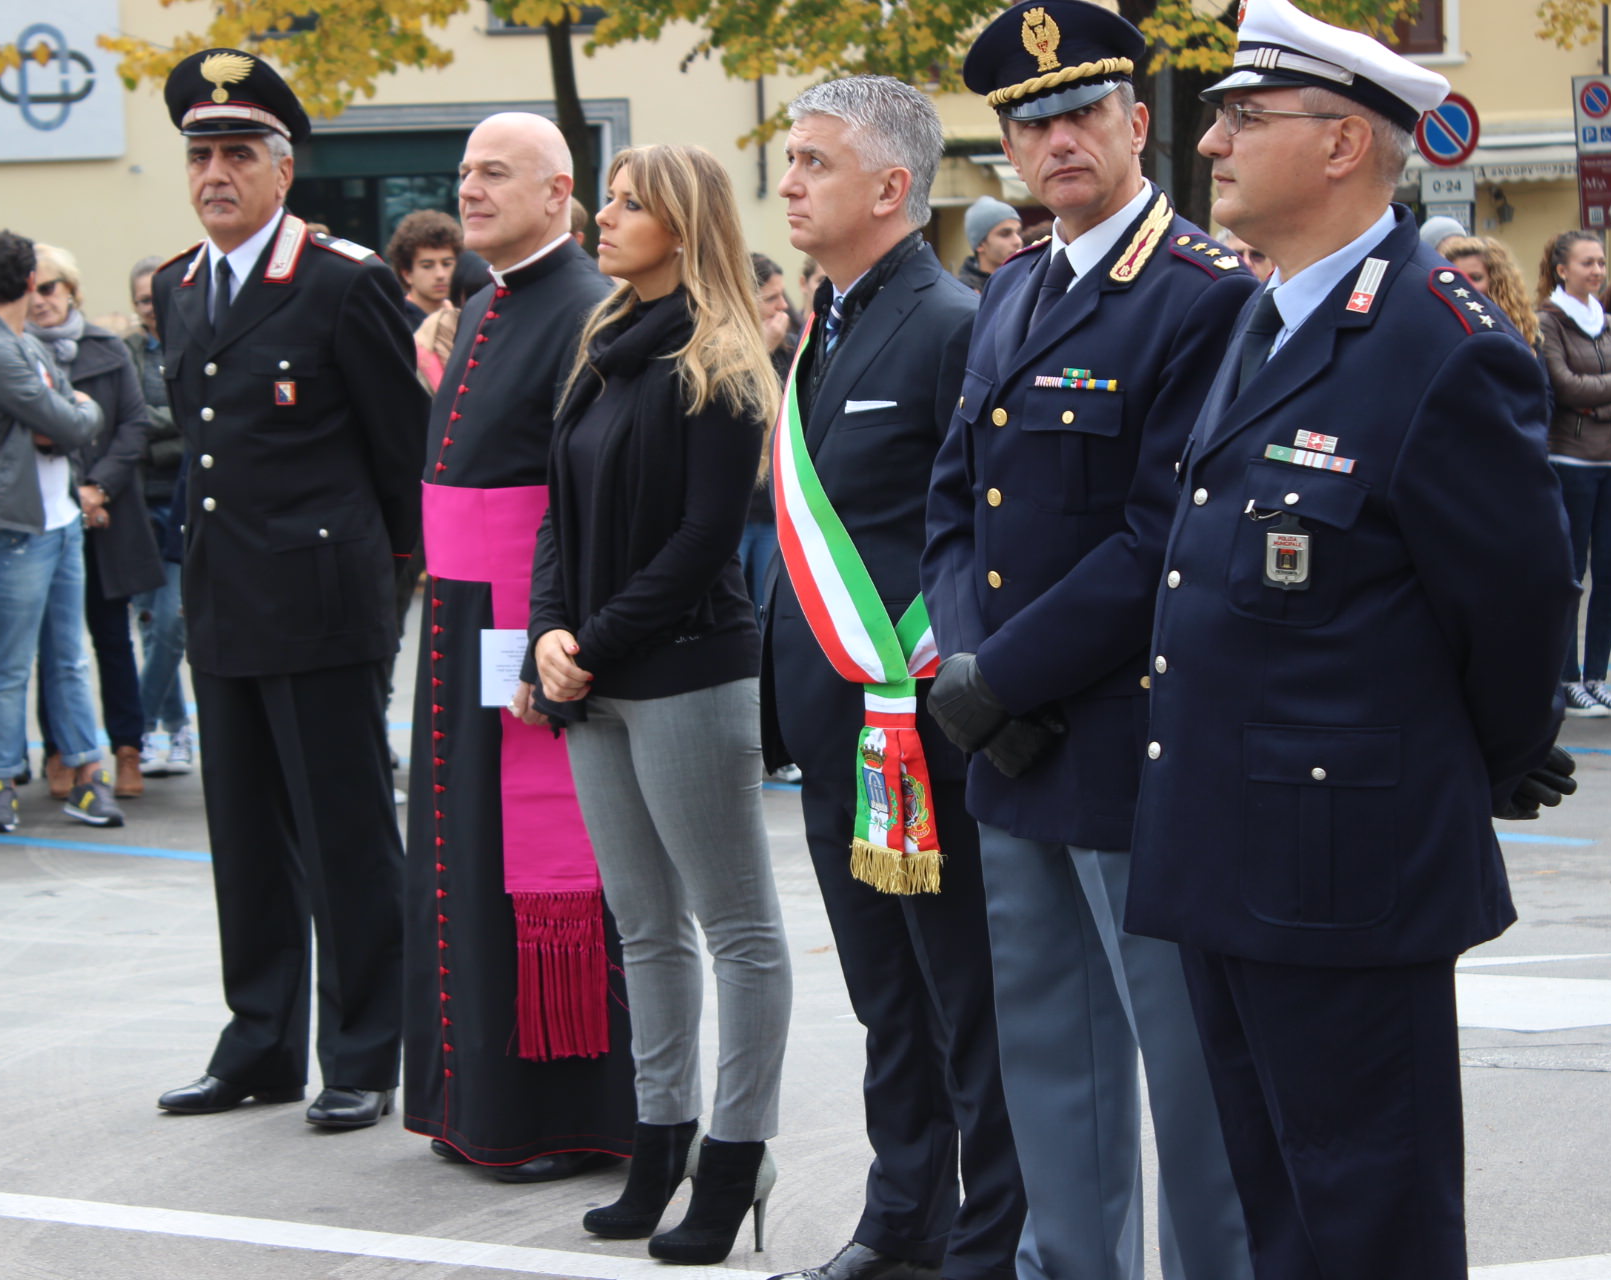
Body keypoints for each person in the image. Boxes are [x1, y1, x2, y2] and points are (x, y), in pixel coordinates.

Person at [1123, 2, 1579, 1276]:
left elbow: (1518, 605)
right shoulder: (1259, 318)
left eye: (1242, 119)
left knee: (1371, 1210)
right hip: (1227, 840)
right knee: (1280, 1200)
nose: (1209, 143)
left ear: (1342, 147)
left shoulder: (1438, 342)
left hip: (1345, 858)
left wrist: (1456, 764)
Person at [920, 6, 1260, 1280]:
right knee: (1053, 1058)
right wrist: (967, 659)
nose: (1056, 139)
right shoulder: (1011, 286)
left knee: (1185, 1068)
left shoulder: (1199, 296)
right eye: (1030, 121)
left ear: (1135, 122)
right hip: (1005, 737)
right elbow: (957, 503)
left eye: (1080, 112)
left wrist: (998, 673)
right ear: (1007, 145)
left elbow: (1160, 535)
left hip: (1133, 740)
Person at [762, 76, 1026, 1280]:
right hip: (837, 719)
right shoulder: (828, 320)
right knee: (885, 991)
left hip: (919, 721)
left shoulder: (951, 322)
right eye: (790, 158)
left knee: (963, 990)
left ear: (891, 187)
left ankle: (992, 1227)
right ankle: (901, 1213)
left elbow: (976, 531)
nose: (790, 180)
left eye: (815, 160)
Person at [149, 50, 427, 1131]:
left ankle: (363, 1048)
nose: (215, 174)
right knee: (248, 841)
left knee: (346, 836)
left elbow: (401, 455)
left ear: (281, 166)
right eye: (201, 155)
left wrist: (397, 591)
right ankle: (258, 1040)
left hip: (322, 602)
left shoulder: (343, 279)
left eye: (236, 154)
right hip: (223, 601)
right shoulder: (178, 285)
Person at [524, 141, 790, 1267]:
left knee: (737, 929)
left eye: (629, 204)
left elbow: (700, 542)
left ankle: (735, 1156)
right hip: (595, 673)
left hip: (685, 669)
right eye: (609, 198)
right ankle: (660, 1140)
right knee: (643, 926)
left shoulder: (722, 356)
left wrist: (592, 640)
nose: (605, 216)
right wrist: (548, 632)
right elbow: (557, 512)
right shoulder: (602, 344)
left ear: (681, 225)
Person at [403, 111, 637, 1181]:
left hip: (525, 619)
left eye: (497, 173)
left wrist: (558, 631)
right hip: (460, 618)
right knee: (459, 865)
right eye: (464, 173)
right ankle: (475, 1101)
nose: (472, 189)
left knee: (534, 874)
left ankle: (557, 1114)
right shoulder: (487, 299)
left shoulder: (586, 306)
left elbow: (584, 493)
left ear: (560, 192)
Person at [0, 229, 122, 833]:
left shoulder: (20, 342)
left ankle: (86, 776)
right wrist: (78, 411)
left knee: (68, 659)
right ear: (29, 282)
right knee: (11, 663)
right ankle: (2, 783)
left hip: (55, 519)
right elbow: (74, 423)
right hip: (15, 525)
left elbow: (58, 424)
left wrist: (63, 416)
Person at [25, 243, 167, 796]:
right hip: (45, 514)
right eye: (30, 289)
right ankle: (59, 749)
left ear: (72, 292)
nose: (39, 301)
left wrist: (96, 488)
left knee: (113, 639)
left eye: (49, 288)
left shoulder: (107, 349)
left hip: (108, 512)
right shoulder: (14, 354)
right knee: (53, 644)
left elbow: (132, 427)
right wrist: (70, 492)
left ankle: (127, 749)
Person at [1534, 229, 1611, 716]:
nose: (1597, 271)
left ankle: (1595, 676)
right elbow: (1566, 389)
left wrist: (1600, 404)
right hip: (1569, 460)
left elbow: (1589, 393)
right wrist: (1605, 395)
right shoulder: (1549, 322)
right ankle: (1568, 677)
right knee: (1571, 571)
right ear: (1562, 269)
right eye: (1587, 263)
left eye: (1601, 262)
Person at [124, 255, 195, 776]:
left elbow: (195, 420)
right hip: (137, 501)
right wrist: (164, 429)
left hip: (185, 500)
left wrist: (157, 431)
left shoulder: (194, 340)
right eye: (144, 300)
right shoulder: (125, 353)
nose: (153, 308)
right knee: (150, 624)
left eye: (158, 297)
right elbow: (127, 422)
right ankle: (176, 731)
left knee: (171, 621)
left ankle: (138, 727)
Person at [738, 251, 793, 619]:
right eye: (771, 298)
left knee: (766, 610)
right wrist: (760, 349)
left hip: (771, 510)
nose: (783, 306)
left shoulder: (787, 351)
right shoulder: (725, 350)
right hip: (736, 511)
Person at [1442, 234, 1536, 346]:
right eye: (1459, 278)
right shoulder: (1443, 329)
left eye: (1475, 278)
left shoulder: (1526, 330)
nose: (1466, 286)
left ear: (1497, 282)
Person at [387, 209, 464, 330]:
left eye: (447, 264)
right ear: (407, 274)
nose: (440, 274)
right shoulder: (395, 323)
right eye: (427, 266)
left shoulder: (466, 317)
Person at [957, 195, 1023, 293]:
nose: (1018, 241)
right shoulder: (966, 292)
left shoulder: (1028, 279)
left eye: (1018, 233)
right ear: (980, 244)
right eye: (1005, 234)